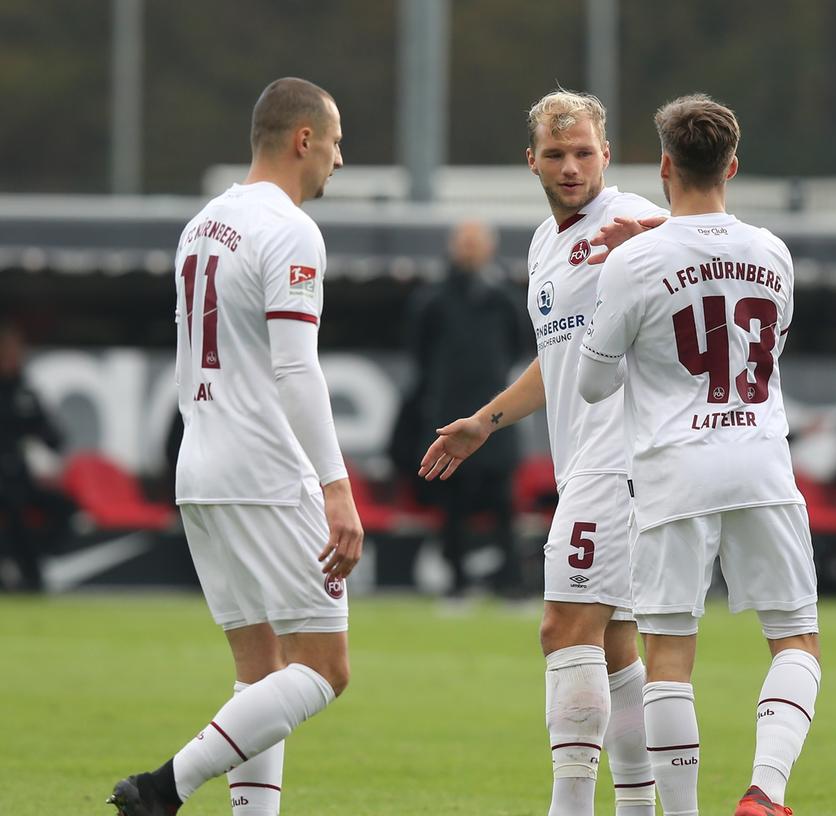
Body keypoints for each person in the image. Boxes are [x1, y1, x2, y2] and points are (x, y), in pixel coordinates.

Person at [108, 76, 362, 816]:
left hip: (203, 467)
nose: (339, 162)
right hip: (265, 469)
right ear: (303, 139)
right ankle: (164, 788)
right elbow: (293, 367)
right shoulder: (290, 228)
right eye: (337, 143)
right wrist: (336, 486)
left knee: (262, 676)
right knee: (325, 669)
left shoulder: (202, 223)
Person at [418, 89, 664, 816]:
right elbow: (555, 360)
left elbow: (706, 242)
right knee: (615, 644)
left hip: (620, 461)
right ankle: (639, 805)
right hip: (586, 459)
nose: (570, 166)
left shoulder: (636, 222)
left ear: (606, 156)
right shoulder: (541, 243)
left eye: (583, 152)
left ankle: (569, 806)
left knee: (561, 628)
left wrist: (660, 235)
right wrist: (485, 421)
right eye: (555, 154)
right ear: (531, 160)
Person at [577, 94, 818, 816]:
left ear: (663, 167)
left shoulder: (635, 260)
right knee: (795, 642)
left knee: (670, 657)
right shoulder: (772, 252)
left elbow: (592, 383)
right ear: (732, 166)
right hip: (759, 461)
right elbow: (766, 350)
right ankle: (764, 791)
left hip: (672, 467)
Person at [404, 220, 530, 598]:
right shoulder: (434, 298)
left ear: (490, 248)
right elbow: (418, 350)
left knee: (504, 503)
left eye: (477, 243)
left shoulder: (504, 297)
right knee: (453, 504)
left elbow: (521, 344)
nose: (470, 250)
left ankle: (511, 584)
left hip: (496, 417)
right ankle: (456, 583)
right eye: (465, 243)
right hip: (449, 412)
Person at [0, 320, 68, 592]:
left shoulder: (25, 392)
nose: (13, 356)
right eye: (7, 350)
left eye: (17, 350)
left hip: (20, 478)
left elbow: (54, 437)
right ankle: (23, 569)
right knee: (13, 509)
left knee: (65, 508)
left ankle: (34, 561)